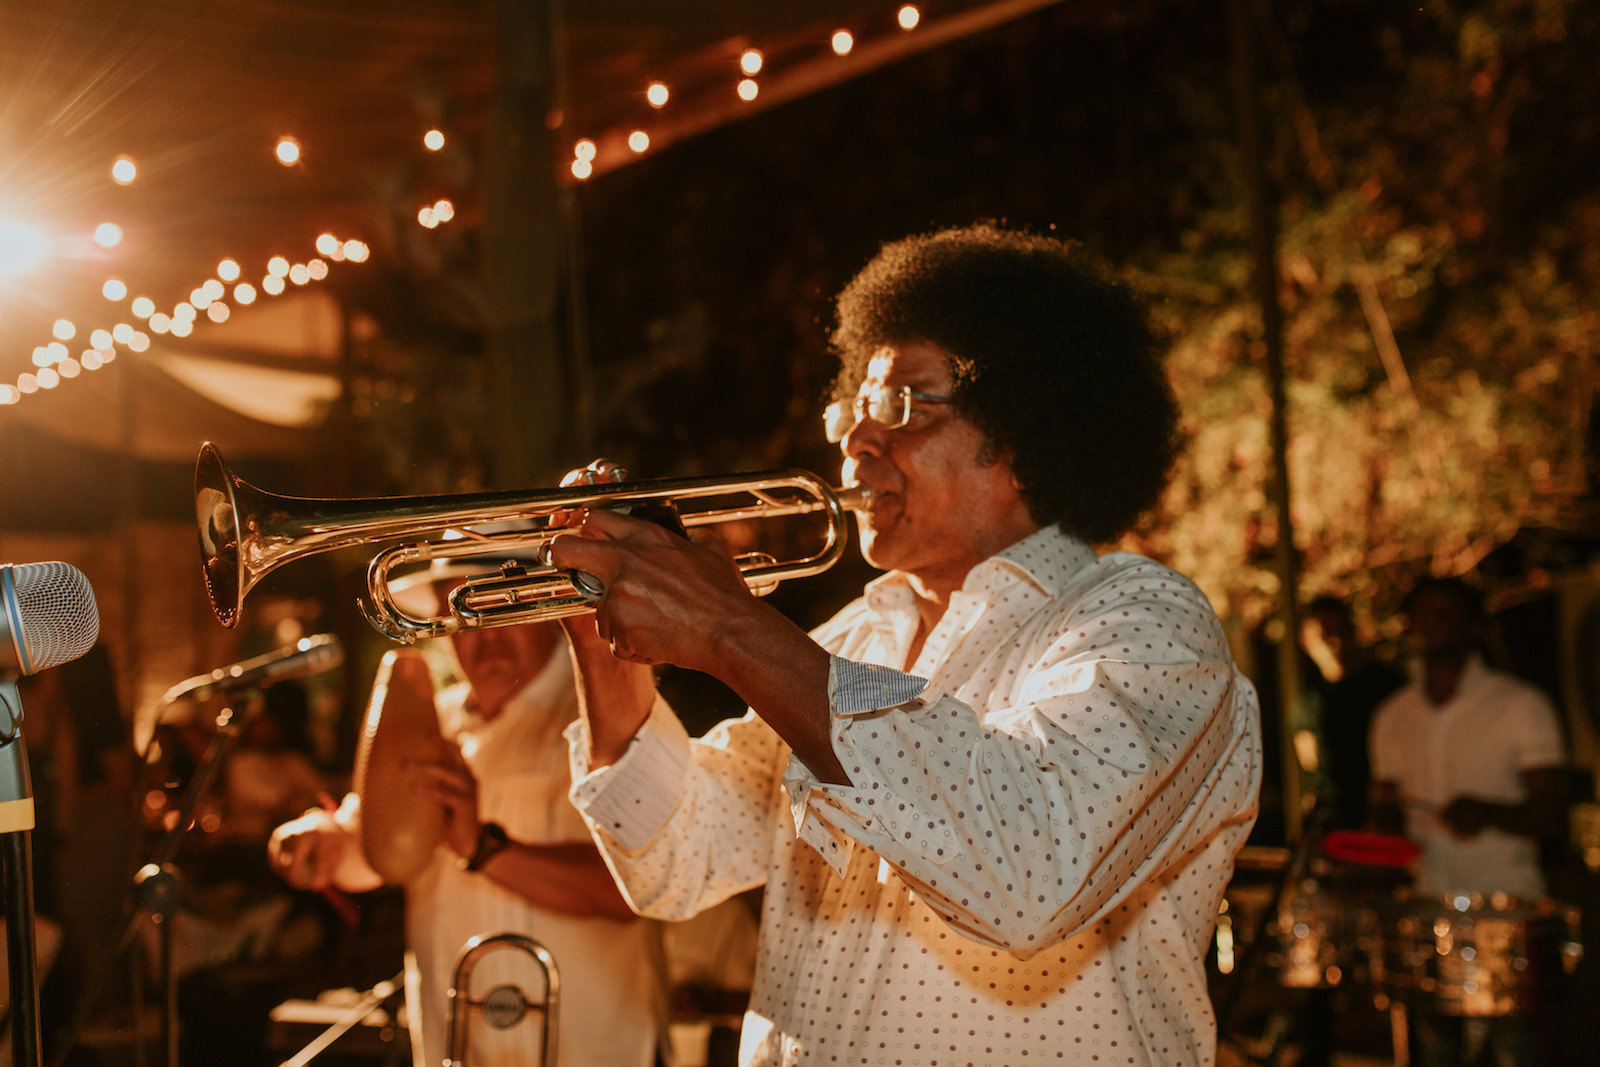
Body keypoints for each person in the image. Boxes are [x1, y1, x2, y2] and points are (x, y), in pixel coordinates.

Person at [548, 222, 1264, 1065]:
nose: (856, 439)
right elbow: (677, 857)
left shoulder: (1144, 619)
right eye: (852, 408)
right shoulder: (859, 635)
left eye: (901, 405)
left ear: (1025, 436)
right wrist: (603, 634)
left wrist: (730, 627)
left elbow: (1031, 868)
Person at [267, 562, 664, 1067]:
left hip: (595, 1050)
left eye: (508, 606)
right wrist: (322, 842)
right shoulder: (429, 719)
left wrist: (481, 848)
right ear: (441, 622)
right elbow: (374, 851)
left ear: (549, 609)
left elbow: (644, 889)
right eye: (465, 609)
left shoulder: (610, 710)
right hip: (456, 1049)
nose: (488, 635)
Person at [1368, 575, 1568, 1067]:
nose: (1434, 626)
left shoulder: (1520, 704)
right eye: (1424, 614)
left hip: (1507, 905)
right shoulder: (1392, 716)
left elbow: (1554, 811)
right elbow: (1385, 807)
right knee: (1434, 1050)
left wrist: (1489, 811)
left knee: (1513, 1051)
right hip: (1426, 904)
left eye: (1447, 614)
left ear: (1473, 626)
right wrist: (1383, 833)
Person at [1302, 595, 1405, 833]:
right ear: (1306, 642)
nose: (1335, 641)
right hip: (1335, 823)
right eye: (1325, 634)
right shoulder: (1309, 696)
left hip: (1384, 820)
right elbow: (1310, 760)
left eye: (1341, 630)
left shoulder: (1386, 688)